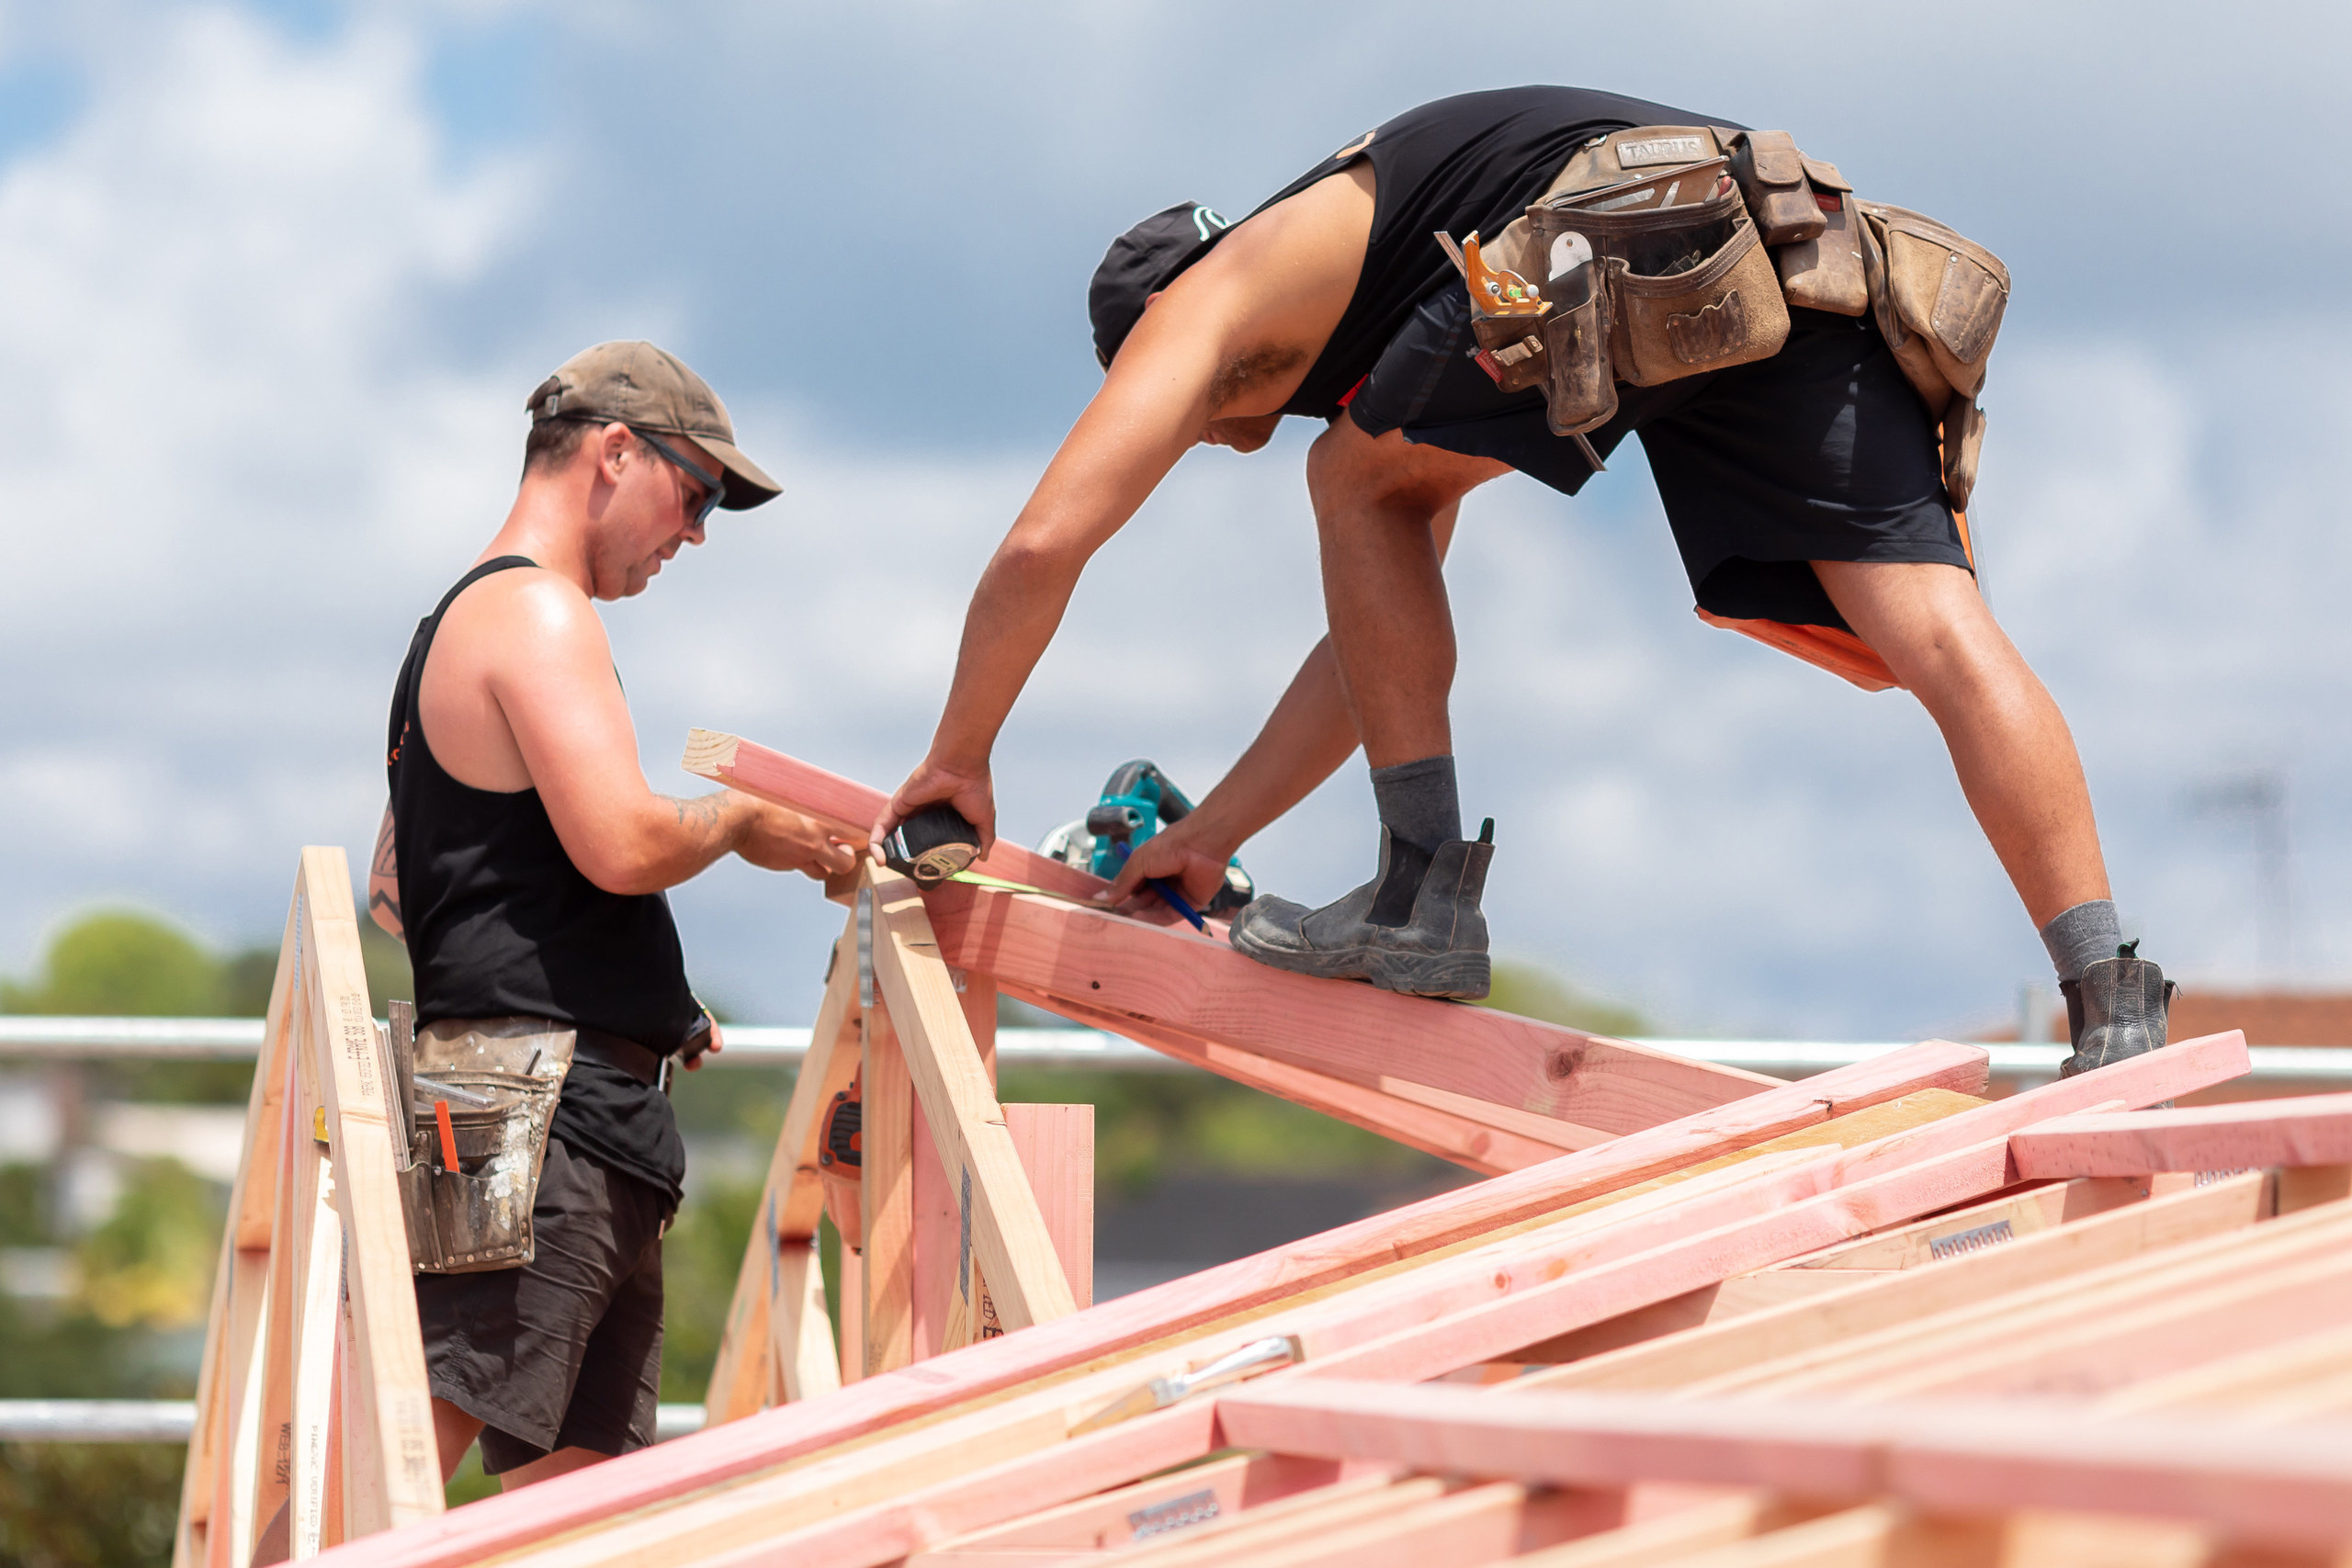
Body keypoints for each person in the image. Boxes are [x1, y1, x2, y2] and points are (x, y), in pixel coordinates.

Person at [871, 86, 2171, 1076]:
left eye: (1191, 415)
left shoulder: (1204, 300)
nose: (1208, 436)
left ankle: (1417, 898)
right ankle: (2111, 1001)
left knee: (1346, 478)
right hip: (1798, 243)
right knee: (1935, 631)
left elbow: (1042, 544)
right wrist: (1207, 840)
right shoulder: (1382, 311)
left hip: (1622, 218)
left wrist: (957, 760)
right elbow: (1370, 659)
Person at [365, 343, 855, 1496]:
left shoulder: (459, 623)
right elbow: (624, 846)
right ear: (616, 451)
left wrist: (645, 1001)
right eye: (697, 494)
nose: (695, 533)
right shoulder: (537, 611)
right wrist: (741, 820)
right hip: (538, 1115)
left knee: (574, 1516)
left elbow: (400, 889)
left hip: (547, 1107)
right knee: (385, 1490)